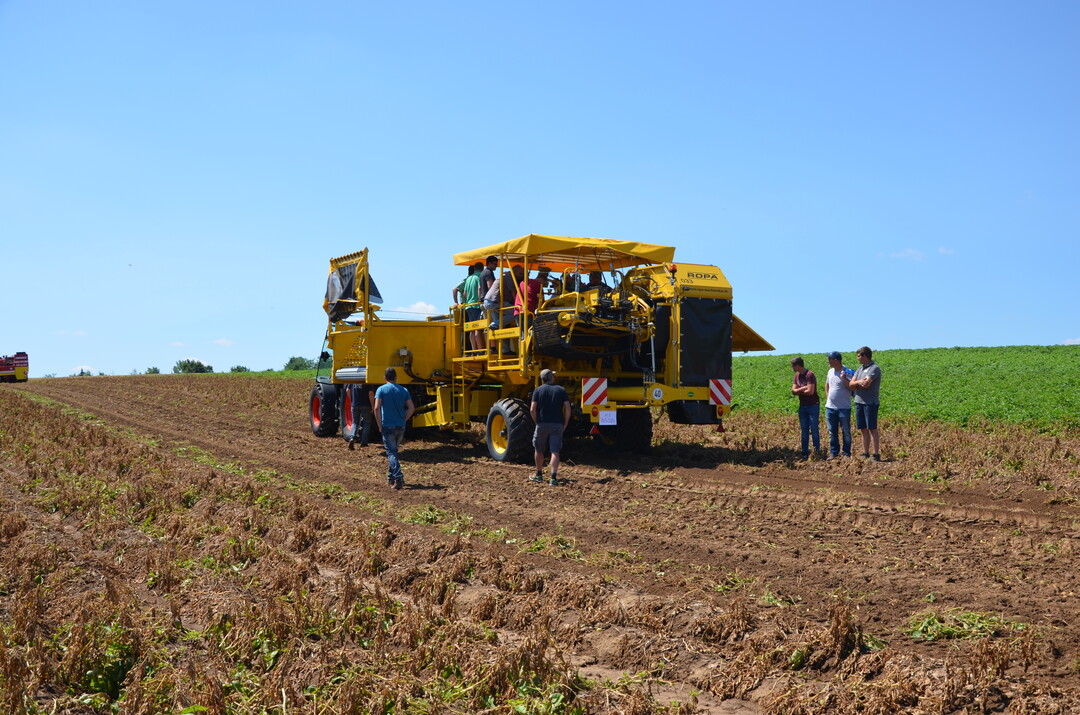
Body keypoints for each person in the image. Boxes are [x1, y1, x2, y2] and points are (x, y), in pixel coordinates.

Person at [373, 367, 415, 489]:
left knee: (391, 453)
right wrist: (404, 419)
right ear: (396, 377)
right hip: (400, 426)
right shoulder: (404, 390)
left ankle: (398, 477)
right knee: (394, 451)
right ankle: (391, 477)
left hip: (387, 425)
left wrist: (379, 425)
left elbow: (376, 408)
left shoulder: (381, 389)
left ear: (385, 378)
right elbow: (411, 408)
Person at [530, 368, 571, 486]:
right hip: (557, 424)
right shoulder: (561, 390)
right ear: (551, 378)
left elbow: (532, 409)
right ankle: (553, 478)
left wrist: (536, 421)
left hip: (542, 424)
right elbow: (568, 407)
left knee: (538, 449)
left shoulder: (538, 390)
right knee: (555, 451)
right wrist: (566, 422)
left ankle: (538, 474)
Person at [849, 346, 883, 461]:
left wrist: (856, 384)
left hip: (870, 402)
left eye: (859, 356)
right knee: (863, 428)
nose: (857, 358)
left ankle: (876, 454)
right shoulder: (860, 369)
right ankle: (865, 452)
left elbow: (866, 384)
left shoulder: (874, 368)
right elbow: (851, 385)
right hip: (859, 402)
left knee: (872, 428)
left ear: (864, 356)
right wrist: (858, 382)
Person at [823, 351, 854, 460]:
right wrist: (828, 397)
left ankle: (846, 453)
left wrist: (843, 377)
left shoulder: (847, 371)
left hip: (844, 408)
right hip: (830, 408)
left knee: (845, 432)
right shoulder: (830, 371)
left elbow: (851, 387)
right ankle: (834, 453)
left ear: (835, 360)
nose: (828, 361)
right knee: (832, 432)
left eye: (830, 359)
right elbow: (826, 385)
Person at [790, 356, 821, 459]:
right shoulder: (796, 376)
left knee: (814, 429)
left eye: (792, 366)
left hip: (813, 405)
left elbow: (810, 392)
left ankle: (816, 451)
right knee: (804, 430)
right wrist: (803, 388)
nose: (792, 368)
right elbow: (793, 391)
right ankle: (804, 452)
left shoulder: (810, 375)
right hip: (802, 406)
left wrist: (799, 390)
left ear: (797, 366)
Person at [460, 261, 485, 351]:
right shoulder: (479, 276)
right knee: (477, 328)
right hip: (476, 305)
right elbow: (479, 288)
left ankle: (474, 349)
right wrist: (479, 299)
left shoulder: (469, 278)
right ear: (482, 268)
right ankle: (480, 349)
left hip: (468, 305)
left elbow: (465, 293)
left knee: (471, 329)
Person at [346, 383, 376, 450]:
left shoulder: (354, 379)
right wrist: (372, 405)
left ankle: (352, 437)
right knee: (367, 423)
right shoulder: (368, 380)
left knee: (355, 422)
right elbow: (371, 393)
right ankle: (364, 443)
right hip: (366, 405)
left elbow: (347, 390)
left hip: (355, 404)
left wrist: (352, 400)